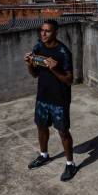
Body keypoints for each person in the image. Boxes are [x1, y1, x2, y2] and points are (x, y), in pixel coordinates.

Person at [24, 20, 77, 181]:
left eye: (47, 31)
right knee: (41, 127)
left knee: (63, 132)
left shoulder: (63, 52)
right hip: (42, 97)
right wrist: (29, 64)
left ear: (55, 32)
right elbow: (35, 74)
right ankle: (44, 155)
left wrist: (54, 68)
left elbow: (69, 80)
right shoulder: (38, 47)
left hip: (59, 100)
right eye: (42, 30)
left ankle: (70, 164)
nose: (43, 33)